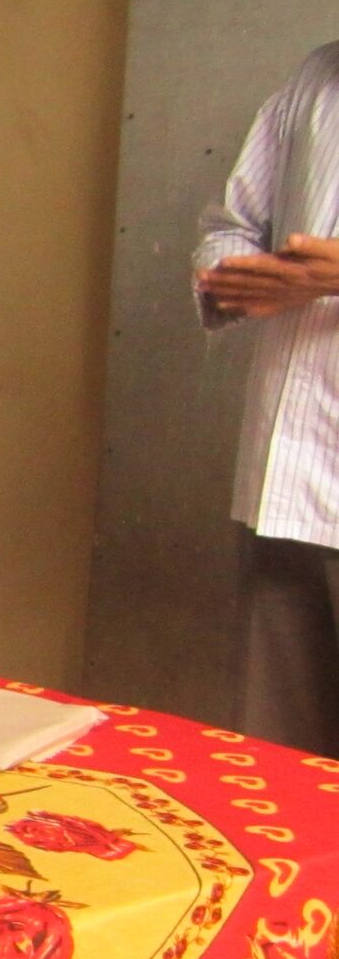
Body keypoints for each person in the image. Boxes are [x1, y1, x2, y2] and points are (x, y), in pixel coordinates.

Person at [194, 46, 339, 753]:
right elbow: (231, 223)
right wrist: (239, 277)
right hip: (283, 487)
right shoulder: (314, 79)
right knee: (280, 761)